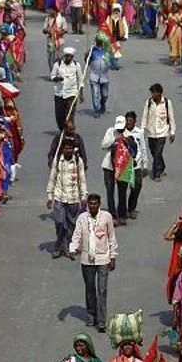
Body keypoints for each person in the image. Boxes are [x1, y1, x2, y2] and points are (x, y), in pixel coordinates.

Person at [70, 194, 118, 332]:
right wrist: (73, 249)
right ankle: (92, 315)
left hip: (103, 258)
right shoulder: (82, 218)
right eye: (90, 203)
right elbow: (77, 235)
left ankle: (102, 321)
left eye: (95, 203)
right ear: (87, 205)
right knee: (90, 289)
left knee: (102, 290)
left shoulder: (106, 217)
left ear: (99, 204)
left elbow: (111, 237)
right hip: (87, 259)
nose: (93, 206)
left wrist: (113, 256)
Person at [46, 138, 88, 259]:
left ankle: (69, 247)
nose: (68, 150)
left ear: (73, 149)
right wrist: (49, 196)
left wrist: (84, 196)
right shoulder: (58, 161)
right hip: (59, 196)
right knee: (59, 222)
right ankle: (59, 246)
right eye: (66, 148)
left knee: (71, 225)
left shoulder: (78, 161)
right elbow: (52, 178)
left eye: (70, 148)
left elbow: (82, 179)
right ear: (62, 149)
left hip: (74, 198)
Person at [101, 115, 136, 226]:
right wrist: (115, 139)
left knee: (122, 191)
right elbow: (103, 145)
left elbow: (133, 150)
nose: (120, 130)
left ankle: (122, 214)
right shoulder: (110, 131)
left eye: (121, 128)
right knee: (110, 191)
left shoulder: (129, 134)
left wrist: (125, 141)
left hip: (123, 167)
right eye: (118, 128)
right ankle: (113, 216)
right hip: (109, 167)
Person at [140, 83, 176, 182]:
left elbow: (171, 118)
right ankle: (161, 165)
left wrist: (172, 132)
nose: (153, 95)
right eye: (152, 93)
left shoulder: (167, 103)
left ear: (160, 93)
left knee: (158, 152)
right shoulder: (149, 103)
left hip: (162, 132)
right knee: (153, 152)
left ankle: (156, 174)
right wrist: (142, 130)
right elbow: (144, 116)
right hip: (151, 132)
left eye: (155, 93)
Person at [51, 47, 84, 132]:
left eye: (70, 57)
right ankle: (62, 130)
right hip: (59, 94)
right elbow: (52, 76)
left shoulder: (76, 65)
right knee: (59, 115)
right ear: (64, 56)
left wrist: (81, 94)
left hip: (72, 94)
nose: (69, 58)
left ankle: (70, 131)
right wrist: (57, 78)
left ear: (72, 57)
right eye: (67, 56)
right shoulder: (57, 64)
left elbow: (81, 80)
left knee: (70, 114)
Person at [124, 111, 147, 219]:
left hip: (136, 165)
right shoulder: (122, 132)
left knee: (137, 186)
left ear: (135, 121)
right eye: (127, 120)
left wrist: (145, 165)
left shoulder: (139, 132)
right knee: (123, 189)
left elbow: (143, 148)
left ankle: (131, 208)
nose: (129, 123)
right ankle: (123, 211)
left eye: (131, 121)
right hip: (125, 166)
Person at [88, 36, 110, 118]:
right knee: (95, 94)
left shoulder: (106, 51)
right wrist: (87, 54)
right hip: (94, 76)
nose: (100, 42)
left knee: (105, 95)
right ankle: (96, 110)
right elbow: (87, 61)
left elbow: (110, 61)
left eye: (101, 40)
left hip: (104, 77)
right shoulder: (92, 51)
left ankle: (102, 104)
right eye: (98, 40)